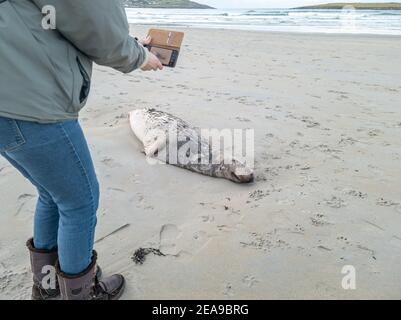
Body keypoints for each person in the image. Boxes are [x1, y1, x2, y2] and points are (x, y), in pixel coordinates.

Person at [0, 0, 163, 300]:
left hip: (9, 97)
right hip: (31, 103)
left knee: (53, 193)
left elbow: (48, 19)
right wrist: (137, 56)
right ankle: (80, 293)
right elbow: (92, 21)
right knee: (80, 203)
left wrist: (131, 44)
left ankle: (48, 287)